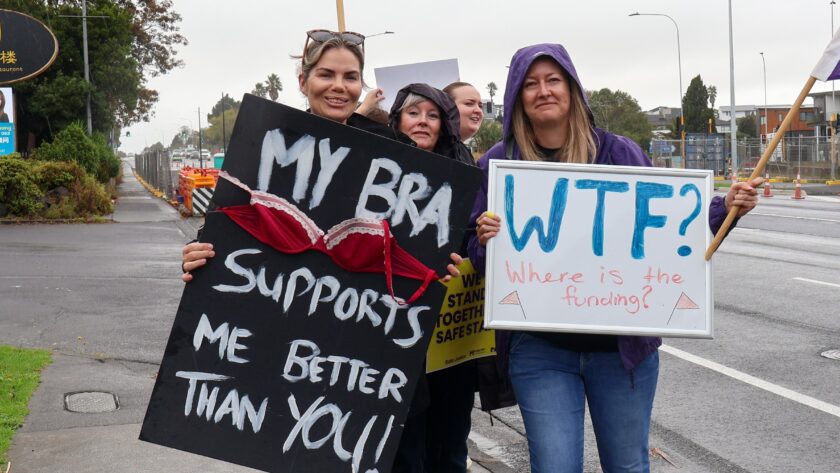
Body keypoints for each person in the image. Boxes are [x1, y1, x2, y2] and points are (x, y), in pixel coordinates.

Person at [467, 43, 762, 473]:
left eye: (553, 80)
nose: (543, 91)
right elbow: (479, 258)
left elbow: (668, 218)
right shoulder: (498, 164)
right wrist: (483, 238)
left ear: (572, 90)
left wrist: (725, 207)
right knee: (554, 466)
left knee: (627, 466)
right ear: (516, 96)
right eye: (530, 84)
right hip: (540, 348)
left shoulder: (619, 152)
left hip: (621, 350)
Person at [181, 32, 461, 281]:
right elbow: (226, 223)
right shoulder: (268, 145)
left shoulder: (391, 150)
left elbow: (416, 242)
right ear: (304, 82)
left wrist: (437, 267)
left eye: (350, 77)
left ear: (360, 85)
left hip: (361, 324)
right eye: (326, 74)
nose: (339, 86)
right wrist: (197, 253)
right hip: (269, 314)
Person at [387, 83, 476, 473]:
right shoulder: (374, 166)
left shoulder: (465, 171)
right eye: (413, 112)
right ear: (397, 119)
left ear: (444, 123)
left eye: (432, 114)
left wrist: (475, 242)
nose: (422, 121)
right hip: (389, 329)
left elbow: (475, 240)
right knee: (405, 443)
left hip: (449, 333)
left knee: (450, 436)